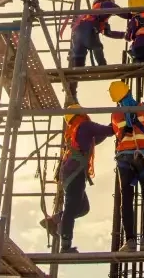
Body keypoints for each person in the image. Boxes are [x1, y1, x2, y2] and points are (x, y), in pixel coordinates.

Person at [40, 102, 115, 253]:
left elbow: (99, 137)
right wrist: (120, 119)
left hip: (71, 172)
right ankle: (65, 245)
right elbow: (108, 130)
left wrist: (111, 129)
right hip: (75, 172)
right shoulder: (85, 126)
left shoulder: (75, 130)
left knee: (82, 207)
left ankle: (54, 221)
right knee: (71, 208)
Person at [108, 80, 144, 252]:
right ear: (128, 90)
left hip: (125, 161)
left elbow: (115, 132)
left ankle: (129, 241)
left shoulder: (115, 115)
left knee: (127, 201)